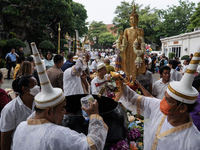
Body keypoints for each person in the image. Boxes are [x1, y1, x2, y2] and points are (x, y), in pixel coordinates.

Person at [13, 43, 108, 150]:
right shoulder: (58, 134)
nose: (64, 112)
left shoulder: (21, 127)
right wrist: (95, 116)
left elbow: (35, 116)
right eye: (62, 109)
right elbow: (92, 146)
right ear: (48, 112)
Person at [119, 51, 200, 150]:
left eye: (168, 101)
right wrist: (120, 84)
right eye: (165, 97)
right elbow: (134, 98)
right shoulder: (158, 106)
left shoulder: (193, 141)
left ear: (183, 108)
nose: (162, 102)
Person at [1, 75, 39, 150]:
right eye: (34, 85)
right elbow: (6, 136)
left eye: (37, 84)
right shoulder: (10, 109)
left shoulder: (39, 103)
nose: (37, 87)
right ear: (25, 89)